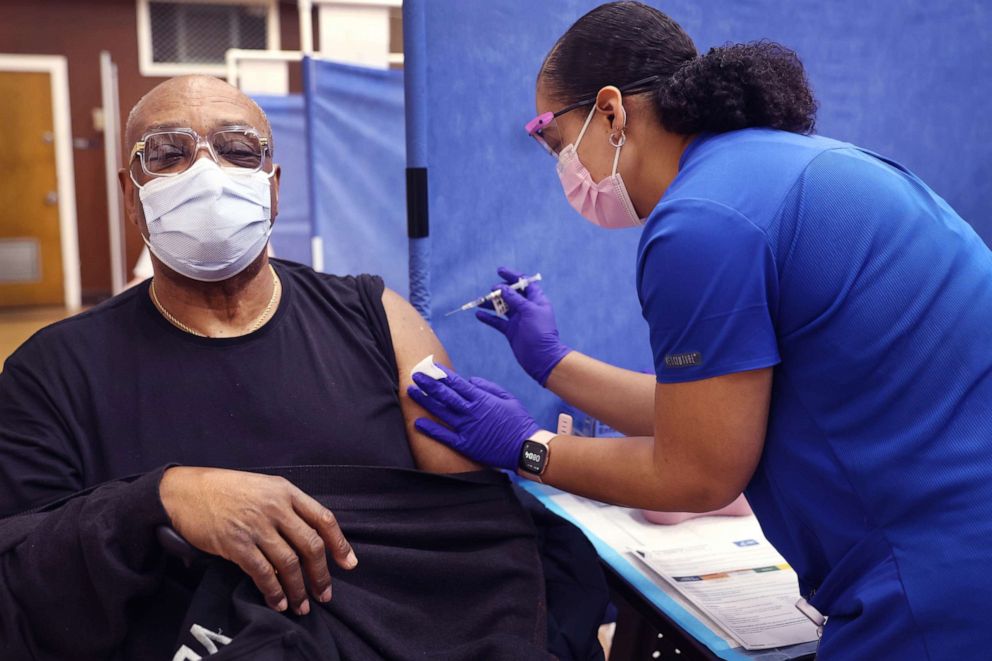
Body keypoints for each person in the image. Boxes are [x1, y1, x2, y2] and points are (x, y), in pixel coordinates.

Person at [409, 2, 992, 658]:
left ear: (609, 111)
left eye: (553, 140)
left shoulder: (701, 220)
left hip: (937, 586)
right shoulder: (779, 170)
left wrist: (528, 447)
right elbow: (707, 414)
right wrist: (552, 361)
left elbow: (696, 472)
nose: (561, 169)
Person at [0, 75, 605, 659]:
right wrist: (161, 499)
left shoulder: (377, 319)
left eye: (238, 150)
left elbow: (465, 539)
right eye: (166, 153)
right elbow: (24, 584)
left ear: (274, 185)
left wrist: (533, 442)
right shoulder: (51, 375)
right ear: (131, 194)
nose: (205, 174)